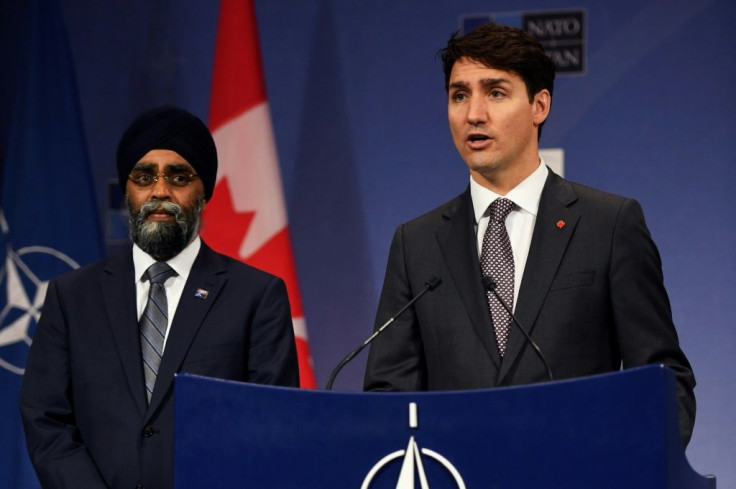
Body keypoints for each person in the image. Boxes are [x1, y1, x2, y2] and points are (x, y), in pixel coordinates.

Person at [363, 23, 696, 446]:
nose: (473, 114)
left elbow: (664, 381)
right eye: (459, 95)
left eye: (495, 92)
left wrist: (631, 467)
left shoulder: (608, 225)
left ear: (539, 106)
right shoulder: (417, 243)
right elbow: (388, 396)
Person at [19, 105, 300, 489]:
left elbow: (272, 426)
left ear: (204, 191)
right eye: (144, 177)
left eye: (179, 177)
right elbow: (46, 418)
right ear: (128, 190)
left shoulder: (256, 296)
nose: (160, 191)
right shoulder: (71, 297)